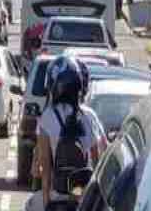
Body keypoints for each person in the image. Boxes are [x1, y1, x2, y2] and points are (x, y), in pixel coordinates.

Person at [30, 56, 107, 210]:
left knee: (30, 205)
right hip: (82, 197)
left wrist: (47, 204)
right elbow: (98, 159)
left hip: (56, 196)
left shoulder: (48, 116)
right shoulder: (89, 115)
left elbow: (43, 170)